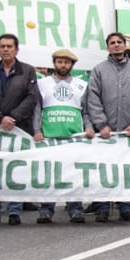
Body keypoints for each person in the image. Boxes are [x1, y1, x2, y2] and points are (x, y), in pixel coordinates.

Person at [86, 32, 130, 223]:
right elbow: (93, 99)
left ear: (124, 45)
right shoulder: (98, 70)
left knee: (126, 170)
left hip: (127, 132)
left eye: (119, 42)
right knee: (104, 171)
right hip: (105, 132)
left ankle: (126, 207)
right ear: (108, 47)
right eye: (112, 43)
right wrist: (101, 124)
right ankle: (103, 207)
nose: (116, 45)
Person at [0, 33, 39, 225]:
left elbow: (32, 97)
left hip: (19, 128)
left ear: (16, 49)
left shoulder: (28, 71)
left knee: (17, 170)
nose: (5, 49)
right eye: (2, 46)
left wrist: (13, 117)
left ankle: (14, 210)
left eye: (9, 46)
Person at [31, 49, 93, 223]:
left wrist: (88, 127)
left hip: (74, 137)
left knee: (73, 173)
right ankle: (46, 209)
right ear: (54, 63)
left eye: (66, 62)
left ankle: (75, 209)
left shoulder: (81, 85)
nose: (63, 65)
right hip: (50, 136)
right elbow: (37, 109)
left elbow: (86, 111)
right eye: (59, 62)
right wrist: (37, 130)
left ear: (72, 65)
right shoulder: (43, 84)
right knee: (49, 174)